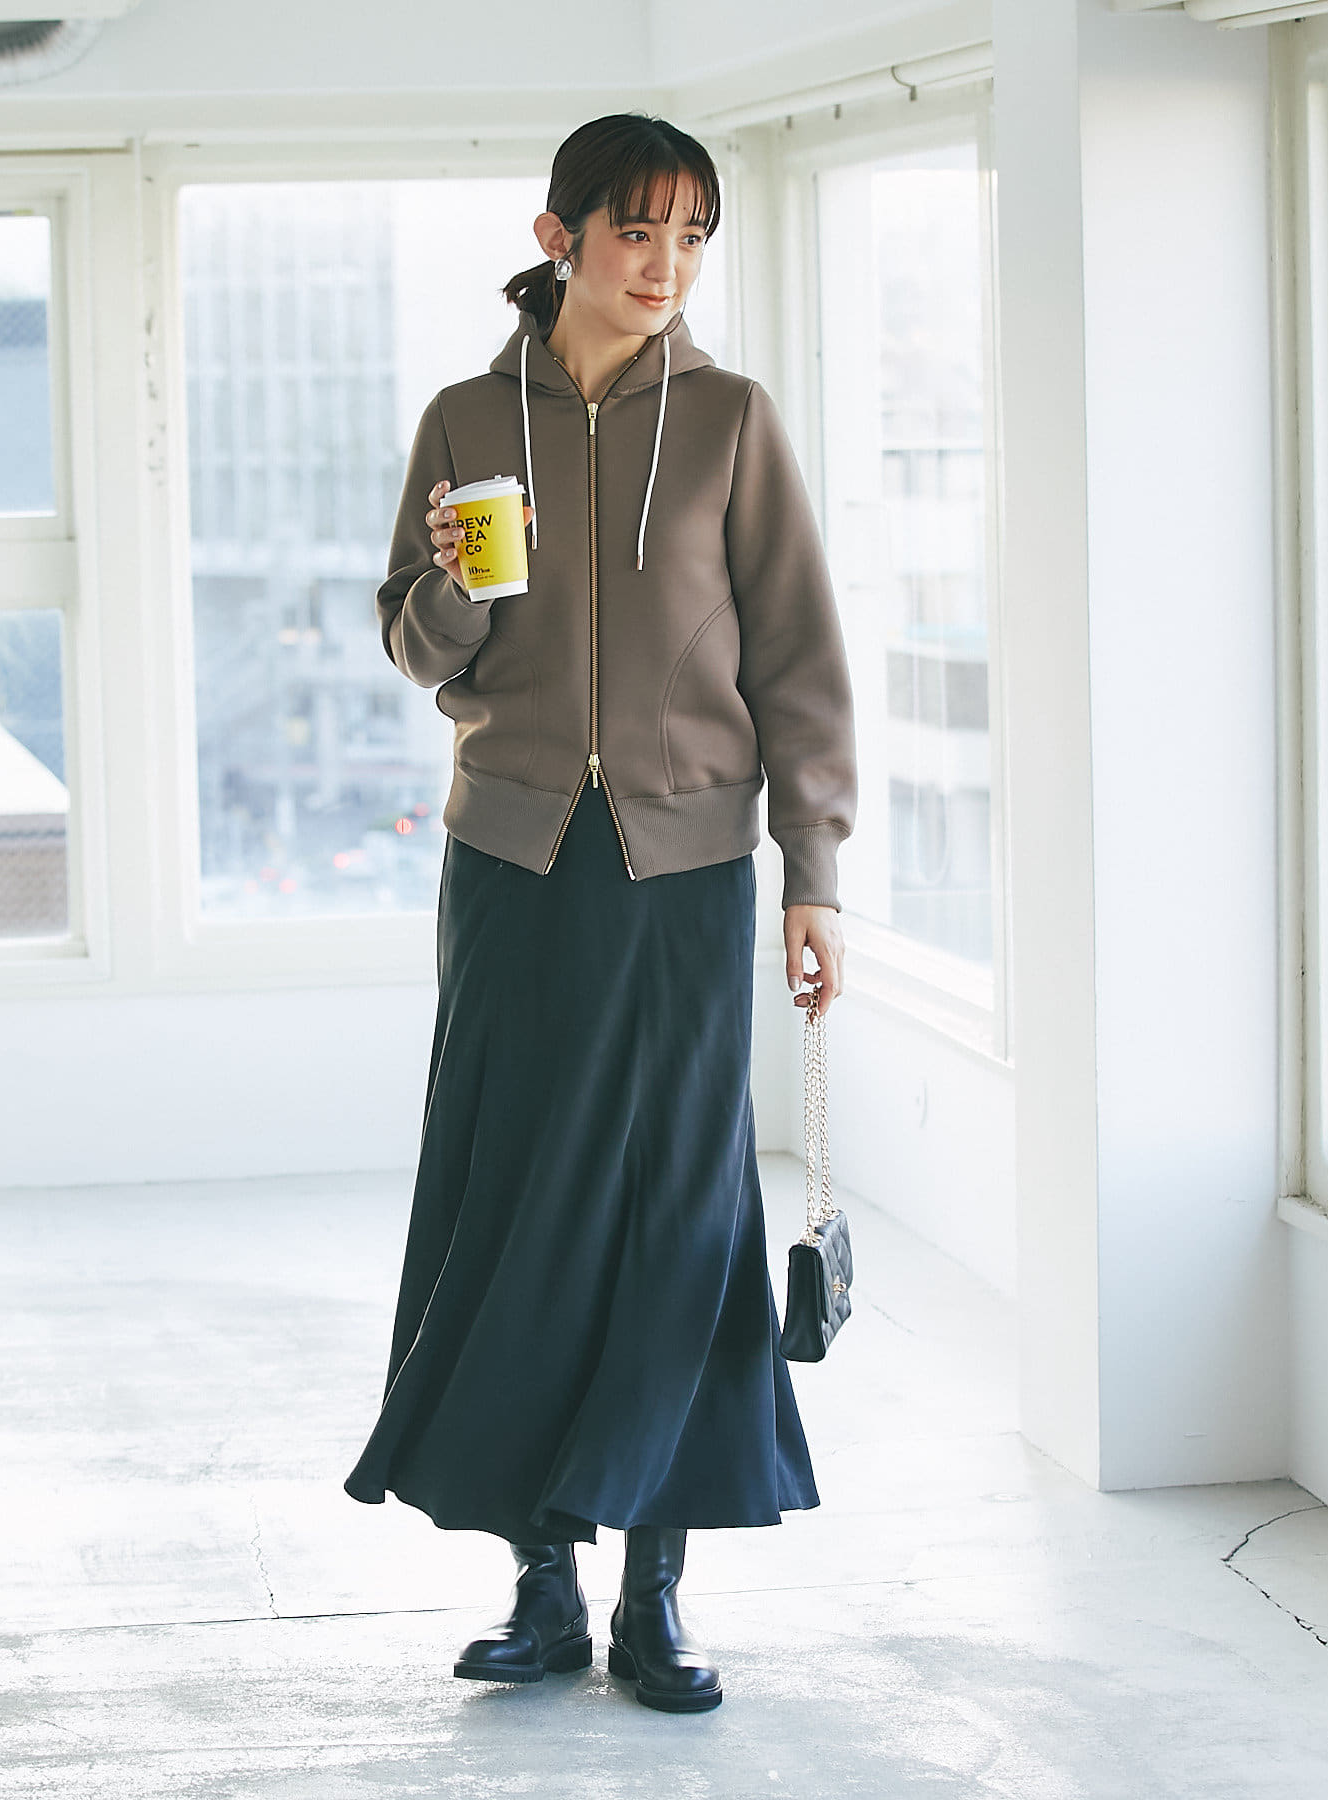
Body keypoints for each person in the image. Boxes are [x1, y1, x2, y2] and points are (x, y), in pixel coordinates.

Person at [343, 111, 857, 1715]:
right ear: (559, 235)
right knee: (515, 1204)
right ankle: (542, 1589)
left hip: (686, 876)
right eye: (638, 230)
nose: (666, 264)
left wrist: (814, 869)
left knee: (678, 1216)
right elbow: (418, 648)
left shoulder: (729, 421)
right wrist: (457, 586)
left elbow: (798, 659)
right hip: (512, 864)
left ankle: (657, 1596)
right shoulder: (462, 419)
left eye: (692, 235)